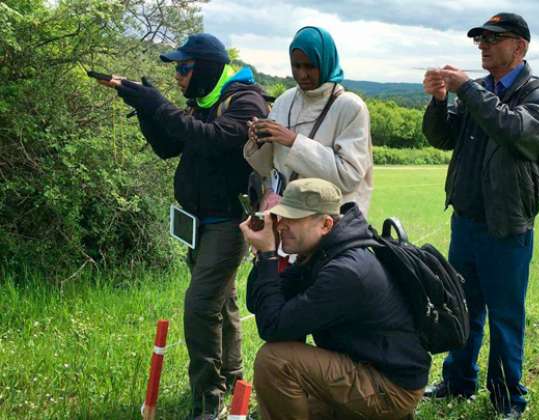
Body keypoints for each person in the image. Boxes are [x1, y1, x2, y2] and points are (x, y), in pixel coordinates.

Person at [97, 33, 268, 419]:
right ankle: (232, 380)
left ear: (205, 67)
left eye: (184, 67)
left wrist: (156, 103)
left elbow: (212, 140)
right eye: (176, 68)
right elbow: (168, 146)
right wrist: (143, 107)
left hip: (228, 221)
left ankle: (207, 401)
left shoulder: (244, 100)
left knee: (199, 305)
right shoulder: (202, 102)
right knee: (221, 305)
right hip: (199, 221)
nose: (178, 75)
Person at [421, 12, 539, 418]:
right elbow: (441, 138)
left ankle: (507, 397)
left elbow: (517, 132)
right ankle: (458, 380)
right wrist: (440, 100)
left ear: (519, 47)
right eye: (480, 39)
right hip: (465, 220)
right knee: (461, 305)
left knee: (504, 315)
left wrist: (466, 91)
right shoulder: (476, 91)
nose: (483, 45)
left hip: (507, 224)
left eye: (493, 39)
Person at [240, 178, 430, 420]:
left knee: (275, 361)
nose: (281, 226)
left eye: (293, 219)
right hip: (364, 367)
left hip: (390, 388)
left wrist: (268, 256)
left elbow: (273, 326)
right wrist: (263, 256)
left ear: (326, 224)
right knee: (278, 397)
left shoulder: (344, 272)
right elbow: (257, 303)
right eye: (280, 217)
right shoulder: (323, 251)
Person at [244, 26, 373, 214]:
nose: (302, 74)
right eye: (296, 66)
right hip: (283, 220)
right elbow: (269, 170)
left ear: (326, 62)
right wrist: (259, 141)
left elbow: (349, 177)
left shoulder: (350, 107)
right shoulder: (283, 101)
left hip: (327, 224)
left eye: (310, 66)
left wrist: (293, 141)